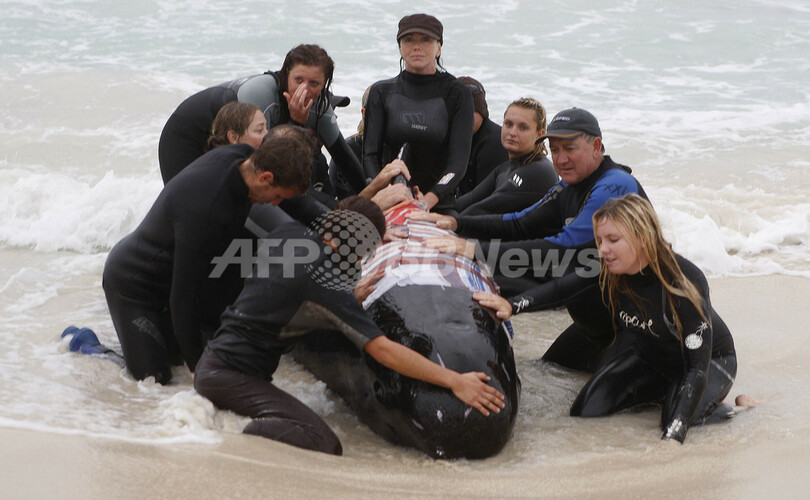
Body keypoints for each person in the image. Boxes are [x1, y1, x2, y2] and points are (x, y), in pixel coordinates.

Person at [193, 196, 505, 455]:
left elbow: (282, 295)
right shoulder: (328, 285)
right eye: (364, 253)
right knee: (324, 442)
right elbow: (384, 350)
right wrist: (453, 380)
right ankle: (230, 435)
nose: (359, 263)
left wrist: (348, 299)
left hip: (216, 360)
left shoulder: (289, 234)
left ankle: (220, 417)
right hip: (229, 375)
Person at [411, 107, 648, 371]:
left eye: (569, 148)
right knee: (546, 371)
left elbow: (565, 246)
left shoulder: (615, 184)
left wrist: (473, 249)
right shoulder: (568, 186)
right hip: (595, 328)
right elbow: (519, 223)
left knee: (584, 411)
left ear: (596, 146)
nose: (561, 159)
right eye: (555, 150)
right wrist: (456, 223)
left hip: (636, 329)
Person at [103, 135, 312, 384]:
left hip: (175, 277)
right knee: (155, 383)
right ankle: (94, 351)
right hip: (134, 286)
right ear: (264, 177)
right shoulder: (205, 209)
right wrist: (199, 368)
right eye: (277, 196)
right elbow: (183, 297)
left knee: (177, 357)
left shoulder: (245, 157)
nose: (276, 205)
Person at [568, 193, 740, 443]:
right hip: (655, 356)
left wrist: (673, 438)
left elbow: (697, 369)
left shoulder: (682, 279)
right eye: (600, 240)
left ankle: (743, 408)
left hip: (708, 361)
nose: (603, 248)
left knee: (672, 421)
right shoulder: (616, 266)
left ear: (641, 238)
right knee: (584, 410)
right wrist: (512, 304)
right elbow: (560, 289)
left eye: (613, 239)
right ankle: (665, 393)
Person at [157, 44, 365, 192]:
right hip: (188, 135)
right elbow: (268, 162)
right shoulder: (261, 95)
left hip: (227, 146)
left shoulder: (320, 107)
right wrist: (296, 123)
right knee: (194, 205)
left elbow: (345, 160)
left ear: (325, 84)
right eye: (298, 79)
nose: (304, 89)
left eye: (314, 83)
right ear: (285, 76)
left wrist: (370, 197)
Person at [362, 13, 474, 211]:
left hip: (438, 203)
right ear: (400, 47)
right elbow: (370, 154)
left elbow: (458, 163)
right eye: (409, 40)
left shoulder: (457, 94)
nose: (416, 46)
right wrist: (382, 192)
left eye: (425, 40)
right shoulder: (381, 92)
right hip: (390, 200)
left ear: (439, 48)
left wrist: (428, 200)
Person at [453, 97, 558, 216]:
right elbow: (468, 200)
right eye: (508, 124)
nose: (512, 133)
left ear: (540, 134)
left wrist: (450, 220)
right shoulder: (506, 167)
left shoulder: (540, 171)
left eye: (523, 127)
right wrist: (432, 207)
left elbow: (488, 208)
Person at [454, 77, 508, 196]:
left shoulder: (494, 142)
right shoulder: (452, 135)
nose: (465, 118)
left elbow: (484, 198)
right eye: (459, 113)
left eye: (471, 113)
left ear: (482, 113)